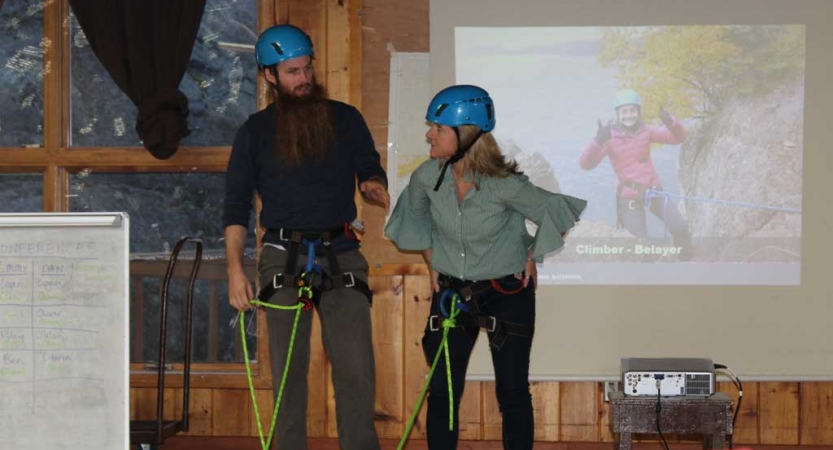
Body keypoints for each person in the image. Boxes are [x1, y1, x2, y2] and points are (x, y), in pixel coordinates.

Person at [385, 85, 586, 450]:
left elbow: (556, 211)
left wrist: (531, 253)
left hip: (506, 294)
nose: (429, 134)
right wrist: (433, 261)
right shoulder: (426, 178)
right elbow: (411, 220)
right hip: (451, 297)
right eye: (431, 126)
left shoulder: (503, 184)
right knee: (444, 390)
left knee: (511, 391)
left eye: (438, 128)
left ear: (466, 136)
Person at [222, 24, 390, 450]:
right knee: (288, 373)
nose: (303, 79)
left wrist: (371, 182)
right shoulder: (254, 132)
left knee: (356, 369)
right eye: (292, 71)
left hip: (342, 251)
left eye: (307, 69)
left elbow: (368, 162)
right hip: (282, 254)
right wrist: (233, 271)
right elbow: (236, 205)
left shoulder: (345, 118)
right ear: (269, 77)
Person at [579, 88, 693, 260]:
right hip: (629, 196)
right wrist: (597, 142)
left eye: (632, 110)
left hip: (653, 190)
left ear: (638, 112)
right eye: (624, 111)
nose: (629, 115)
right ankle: (645, 281)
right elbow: (586, 164)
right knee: (641, 247)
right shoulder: (608, 136)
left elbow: (678, 138)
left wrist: (671, 123)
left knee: (680, 227)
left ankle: (687, 262)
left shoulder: (645, 130)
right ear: (617, 113)